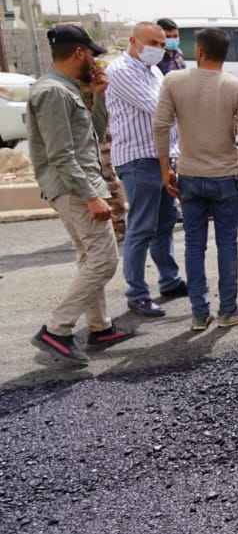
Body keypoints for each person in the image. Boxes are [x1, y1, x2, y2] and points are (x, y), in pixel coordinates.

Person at [27, 25, 136, 365]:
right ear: (78, 53)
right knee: (104, 260)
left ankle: (100, 327)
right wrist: (91, 195)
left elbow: (92, 138)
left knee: (91, 258)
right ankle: (56, 330)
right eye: (91, 53)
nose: (94, 60)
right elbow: (61, 155)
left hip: (81, 185)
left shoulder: (68, 90)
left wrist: (99, 96)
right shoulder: (53, 93)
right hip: (75, 190)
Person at [153, 27, 238, 330]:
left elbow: (160, 125)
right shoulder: (237, 86)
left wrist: (165, 168)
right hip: (225, 176)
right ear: (225, 54)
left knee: (193, 245)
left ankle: (199, 314)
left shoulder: (173, 80)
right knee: (227, 243)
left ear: (199, 52)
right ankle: (229, 309)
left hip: (188, 175)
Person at [106, 21, 187, 318]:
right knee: (141, 228)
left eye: (162, 44)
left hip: (162, 158)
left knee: (165, 222)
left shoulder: (152, 70)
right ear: (134, 41)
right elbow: (159, 108)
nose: (158, 48)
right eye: (153, 42)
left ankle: (169, 280)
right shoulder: (121, 71)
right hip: (139, 160)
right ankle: (137, 293)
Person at [80, 72, 127, 241]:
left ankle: (119, 226)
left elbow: (101, 115)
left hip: (101, 138)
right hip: (90, 137)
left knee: (109, 182)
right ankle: (113, 226)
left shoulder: (96, 78)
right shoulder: (75, 82)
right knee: (104, 183)